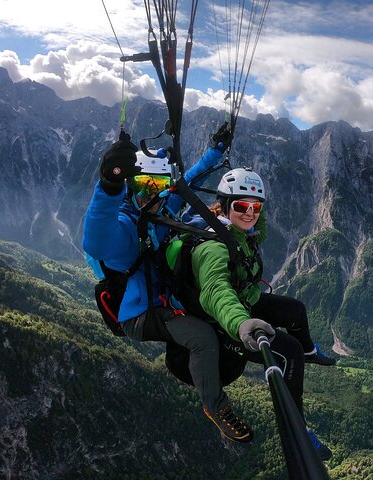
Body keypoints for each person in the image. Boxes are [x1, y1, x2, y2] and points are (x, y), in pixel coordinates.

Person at [82, 130, 254, 443]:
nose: (151, 194)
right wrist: (108, 186)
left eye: (158, 186)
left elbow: (187, 180)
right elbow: (95, 240)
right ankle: (215, 407)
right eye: (143, 186)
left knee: (218, 306)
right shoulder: (125, 227)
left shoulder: (162, 208)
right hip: (140, 312)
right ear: (130, 187)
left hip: (164, 298)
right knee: (202, 336)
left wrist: (215, 152)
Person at [185, 167, 335, 460]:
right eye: (242, 206)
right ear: (226, 205)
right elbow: (216, 291)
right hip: (225, 321)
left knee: (295, 311)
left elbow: (259, 225)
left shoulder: (241, 229)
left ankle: (309, 351)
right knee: (286, 351)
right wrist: (242, 324)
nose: (250, 213)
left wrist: (253, 187)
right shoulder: (214, 246)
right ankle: (297, 429)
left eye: (256, 208)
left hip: (245, 300)